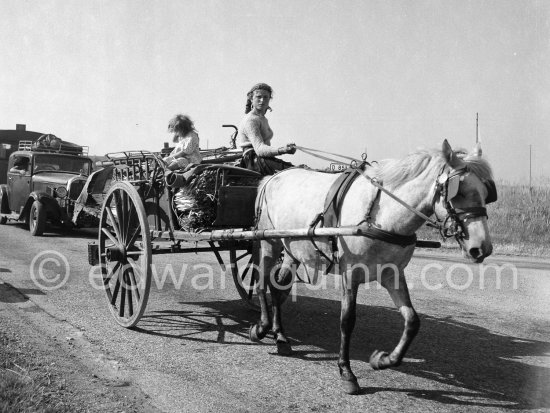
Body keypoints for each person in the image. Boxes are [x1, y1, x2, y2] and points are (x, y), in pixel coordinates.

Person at [236, 83, 296, 175]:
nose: (262, 100)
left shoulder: (262, 118)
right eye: (258, 97)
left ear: (269, 99)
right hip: (254, 161)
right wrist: (283, 150)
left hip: (264, 159)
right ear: (251, 99)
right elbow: (259, 149)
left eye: (265, 97)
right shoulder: (251, 120)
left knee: (297, 171)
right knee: (296, 172)